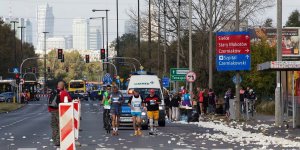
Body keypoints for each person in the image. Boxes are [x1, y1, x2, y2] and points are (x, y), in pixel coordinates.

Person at [48, 81, 72, 147]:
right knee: (61, 125)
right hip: (60, 110)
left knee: (54, 125)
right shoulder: (64, 93)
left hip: (52, 110)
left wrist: (50, 109)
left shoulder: (53, 92)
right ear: (63, 86)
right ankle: (58, 140)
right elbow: (69, 100)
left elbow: (49, 100)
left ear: (57, 86)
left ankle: (54, 138)